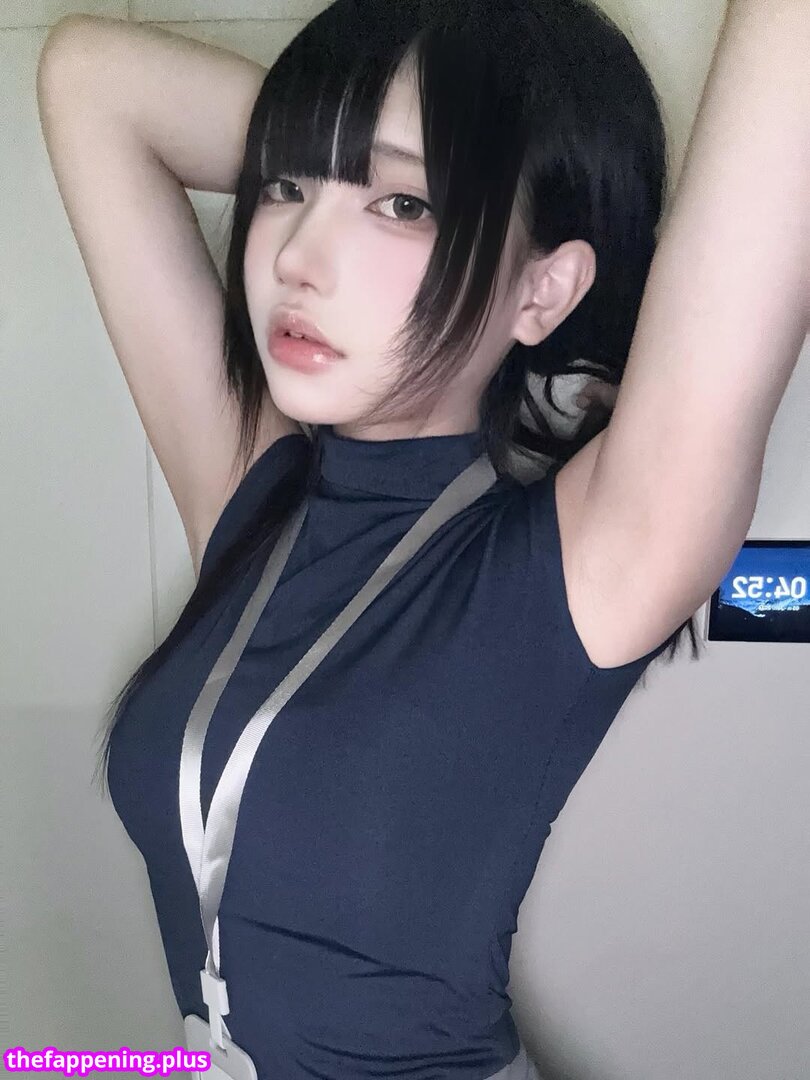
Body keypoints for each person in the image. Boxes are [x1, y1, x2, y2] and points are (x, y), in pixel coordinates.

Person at [36, 0, 808, 1077]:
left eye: (402, 204)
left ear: (542, 290)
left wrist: (486, 174)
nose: (295, 256)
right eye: (285, 185)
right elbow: (90, 78)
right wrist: (375, 143)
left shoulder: (575, 568)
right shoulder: (254, 496)